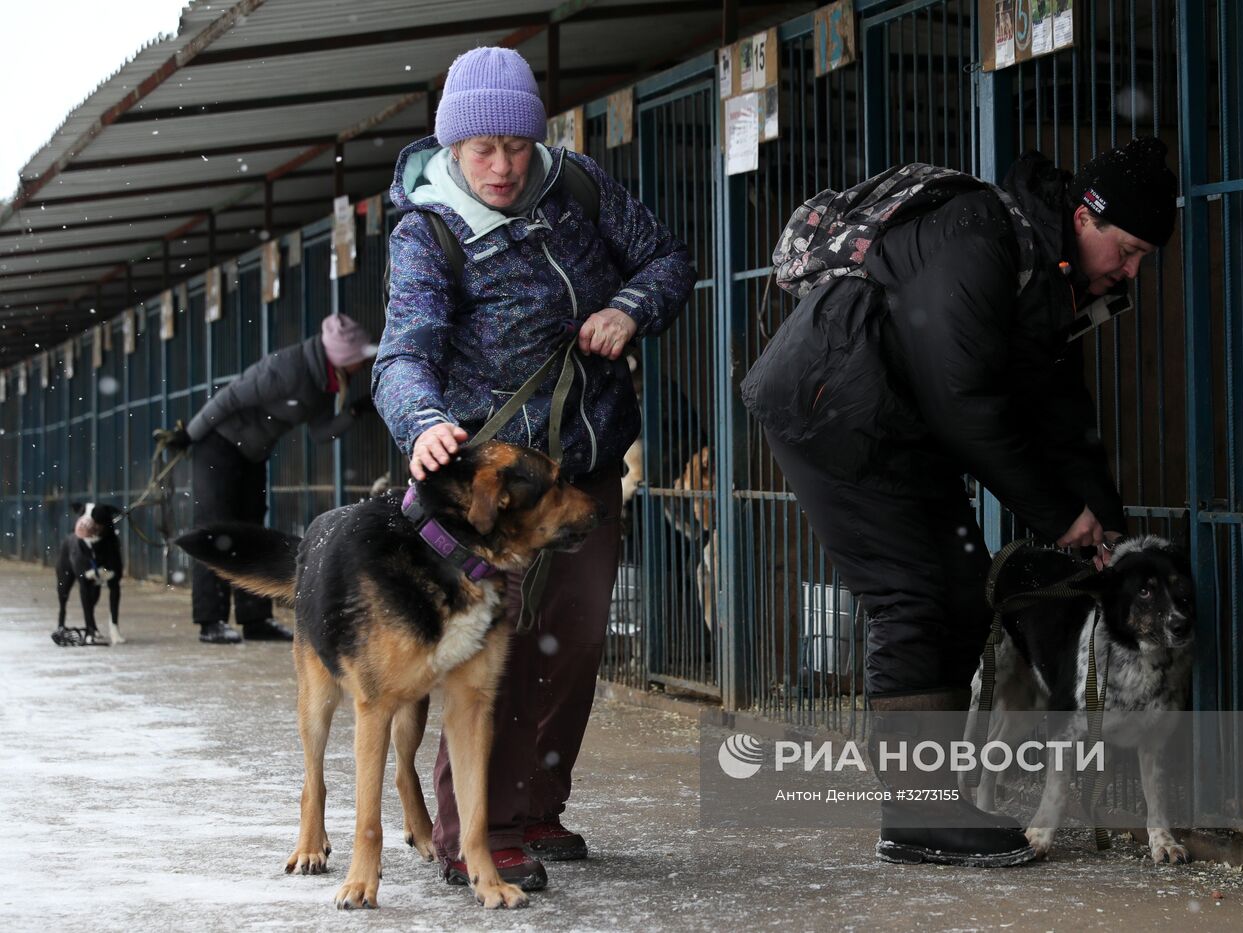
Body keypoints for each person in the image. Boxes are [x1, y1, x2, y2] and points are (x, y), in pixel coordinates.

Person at [742, 137, 1179, 865]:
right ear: (1084, 216)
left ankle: (933, 797)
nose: (1131, 271)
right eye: (1128, 249)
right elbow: (962, 400)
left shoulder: (1054, 281)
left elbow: (1063, 419)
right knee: (911, 594)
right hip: (832, 402)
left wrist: (1111, 535)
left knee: (964, 585)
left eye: (1142, 259)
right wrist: (1058, 517)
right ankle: (916, 811)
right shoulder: (981, 235)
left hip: (895, 416)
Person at [373, 46, 695, 893]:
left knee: (578, 636)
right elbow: (401, 355)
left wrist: (630, 308)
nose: (502, 165)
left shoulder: (578, 188)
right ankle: (474, 831)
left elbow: (669, 260)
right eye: (481, 148)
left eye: (516, 145)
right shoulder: (429, 228)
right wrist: (425, 421)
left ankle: (537, 802)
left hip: (583, 464)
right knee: (496, 655)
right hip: (491, 489)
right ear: (452, 146)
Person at [161, 313, 377, 644]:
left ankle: (256, 618)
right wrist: (189, 436)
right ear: (342, 356)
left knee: (252, 532)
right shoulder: (289, 368)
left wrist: (354, 412)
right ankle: (210, 620)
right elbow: (230, 397)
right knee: (214, 528)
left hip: (251, 453)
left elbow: (320, 433)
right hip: (218, 446)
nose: (362, 367)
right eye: (359, 359)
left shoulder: (323, 382)